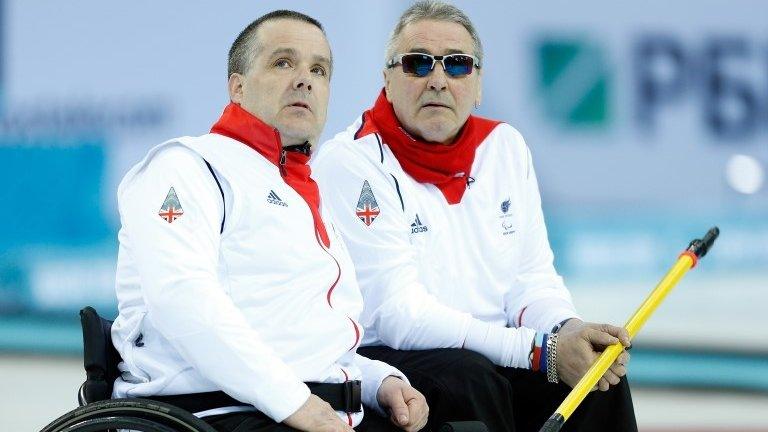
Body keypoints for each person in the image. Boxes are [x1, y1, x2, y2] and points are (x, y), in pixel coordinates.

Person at [312, 1, 637, 431]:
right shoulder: (350, 163)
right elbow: (399, 315)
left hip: (495, 350)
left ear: (479, 84)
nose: (438, 81)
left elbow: (532, 280)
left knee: (599, 379)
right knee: (471, 378)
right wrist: (542, 352)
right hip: (389, 354)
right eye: (418, 64)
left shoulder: (505, 147)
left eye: (458, 66)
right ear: (388, 81)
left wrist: (569, 331)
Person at [110, 10, 428, 432]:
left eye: (319, 69)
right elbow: (181, 300)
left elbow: (303, 338)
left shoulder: (303, 190)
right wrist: (294, 402)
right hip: (218, 414)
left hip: (316, 412)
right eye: (283, 62)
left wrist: (377, 382)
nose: (304, 79)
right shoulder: (187, 166)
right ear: (237, 87)